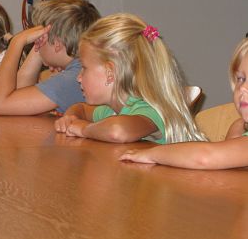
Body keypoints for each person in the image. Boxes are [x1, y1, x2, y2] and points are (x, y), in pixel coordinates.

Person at [54, 13, 206, 144]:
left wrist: (84, 129)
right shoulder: (112, 110)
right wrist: (71, 118)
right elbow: (80, 108)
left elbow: (117, 131)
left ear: (110, 73)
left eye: (84, 68)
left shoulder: (150, 109)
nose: (79, 77)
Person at [120, 38, 248, 169]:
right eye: (241, 79)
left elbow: (205, 157)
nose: (243, 87)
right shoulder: (239, 128)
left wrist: (152, 154)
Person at [0, 0, 100, 115]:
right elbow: (19, 91)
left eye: (40, 37)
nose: (36, 40)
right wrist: (40, 51)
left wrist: (16, 42)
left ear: (57, 43)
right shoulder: (77, 69)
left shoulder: (73, 78)